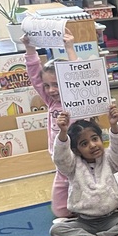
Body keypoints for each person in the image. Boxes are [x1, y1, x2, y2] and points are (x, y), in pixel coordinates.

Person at [49, 106, 118, 236]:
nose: (92, 145)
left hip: (111, 219)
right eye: (84, 143)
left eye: (95, 138)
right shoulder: (72, 165)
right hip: (84, 221)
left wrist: (114, 126)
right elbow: (60, 158)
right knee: (56, 230)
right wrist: (62, 133)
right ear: (76, 150)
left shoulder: (110, 159)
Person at [22, 31, 77, 217]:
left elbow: (79, 77)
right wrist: (30, 48)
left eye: (56, 84)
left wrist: (70, 48)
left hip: (82, 161)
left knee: (86, 200)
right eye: (47, 86)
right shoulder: (51, 101)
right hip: (61, 162)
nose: (51, 90)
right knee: (60, 211)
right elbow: (35, 76)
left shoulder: (77, 99)